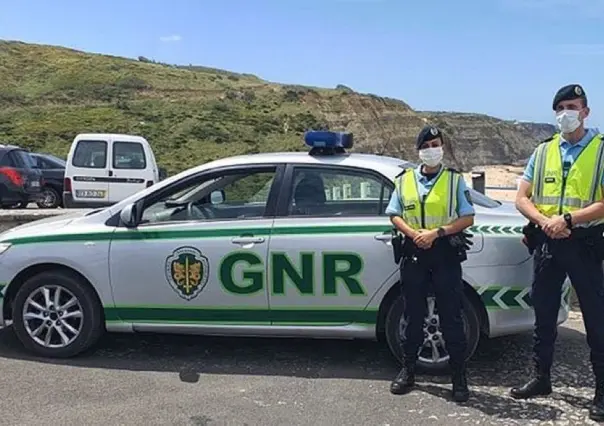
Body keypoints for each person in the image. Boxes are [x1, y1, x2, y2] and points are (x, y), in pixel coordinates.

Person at [511, 83, 604, 422]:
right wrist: (545, 222)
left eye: (573, 106)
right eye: (561, 107)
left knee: (596, 317)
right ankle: (541, 378)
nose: (566, 113)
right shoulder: (543, 150)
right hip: (549, 243)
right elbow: (522, 196)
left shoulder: (601, 150)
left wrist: (568, 219)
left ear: (586, 112)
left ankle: (602, 391)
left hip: (585, 243)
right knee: (544, 313)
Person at [385, 125, 476, 402]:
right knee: (412, 316)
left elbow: (467, 216)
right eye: (426, 146)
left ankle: (458, 377)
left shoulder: (454, 181)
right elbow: (394, 213)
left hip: (444, 254)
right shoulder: (404, 181)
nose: (431, 149)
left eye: (436, 144)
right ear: (419, 150)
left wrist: (437, 233)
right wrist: (413, 234)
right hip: (414, 254)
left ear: (442, 148)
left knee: (451, 317)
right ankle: (408, 371)